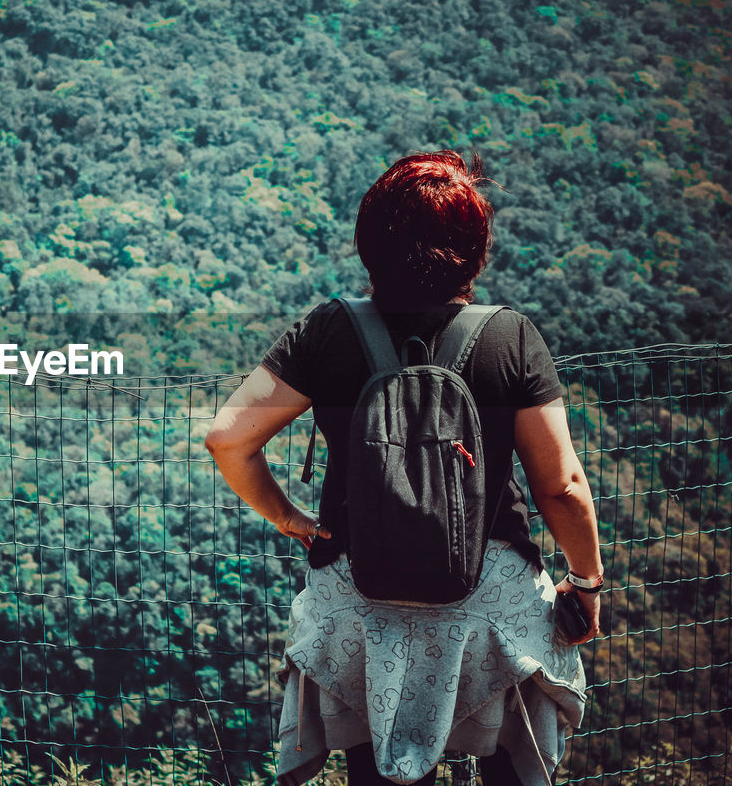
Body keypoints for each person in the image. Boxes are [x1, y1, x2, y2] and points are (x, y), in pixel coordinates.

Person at [203, 150, 603, 785]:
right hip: (485, 603)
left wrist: (290, 518)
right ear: (474, 246)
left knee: (374, 757)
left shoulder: (329, 330)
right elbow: (561, 488)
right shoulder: (509, 337)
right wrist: (586, 583)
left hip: (361, 603)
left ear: (370, 242)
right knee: (509, 760)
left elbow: (228, 438)